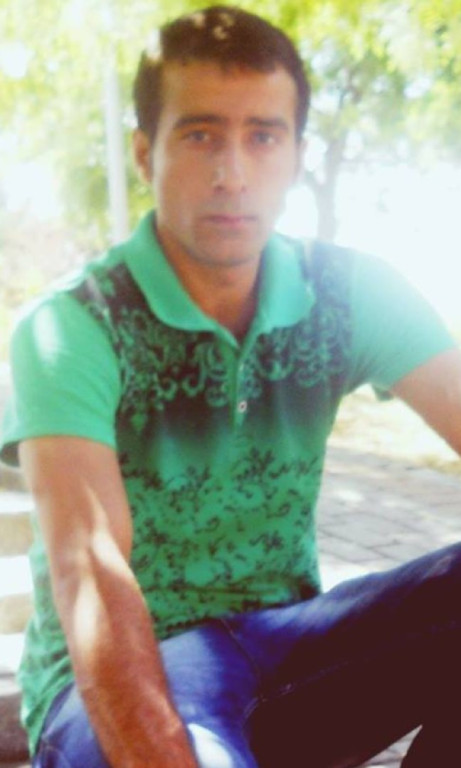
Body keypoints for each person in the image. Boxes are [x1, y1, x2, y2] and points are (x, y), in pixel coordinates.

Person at [1, 5, 461, 767]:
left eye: (263, 136)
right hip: (119, 687)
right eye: (200, 135)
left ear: (296, 155)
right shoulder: (72, 326)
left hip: (293, 656)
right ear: (145, 153)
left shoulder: (349, 294)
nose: (232, 173)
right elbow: (91, 567)